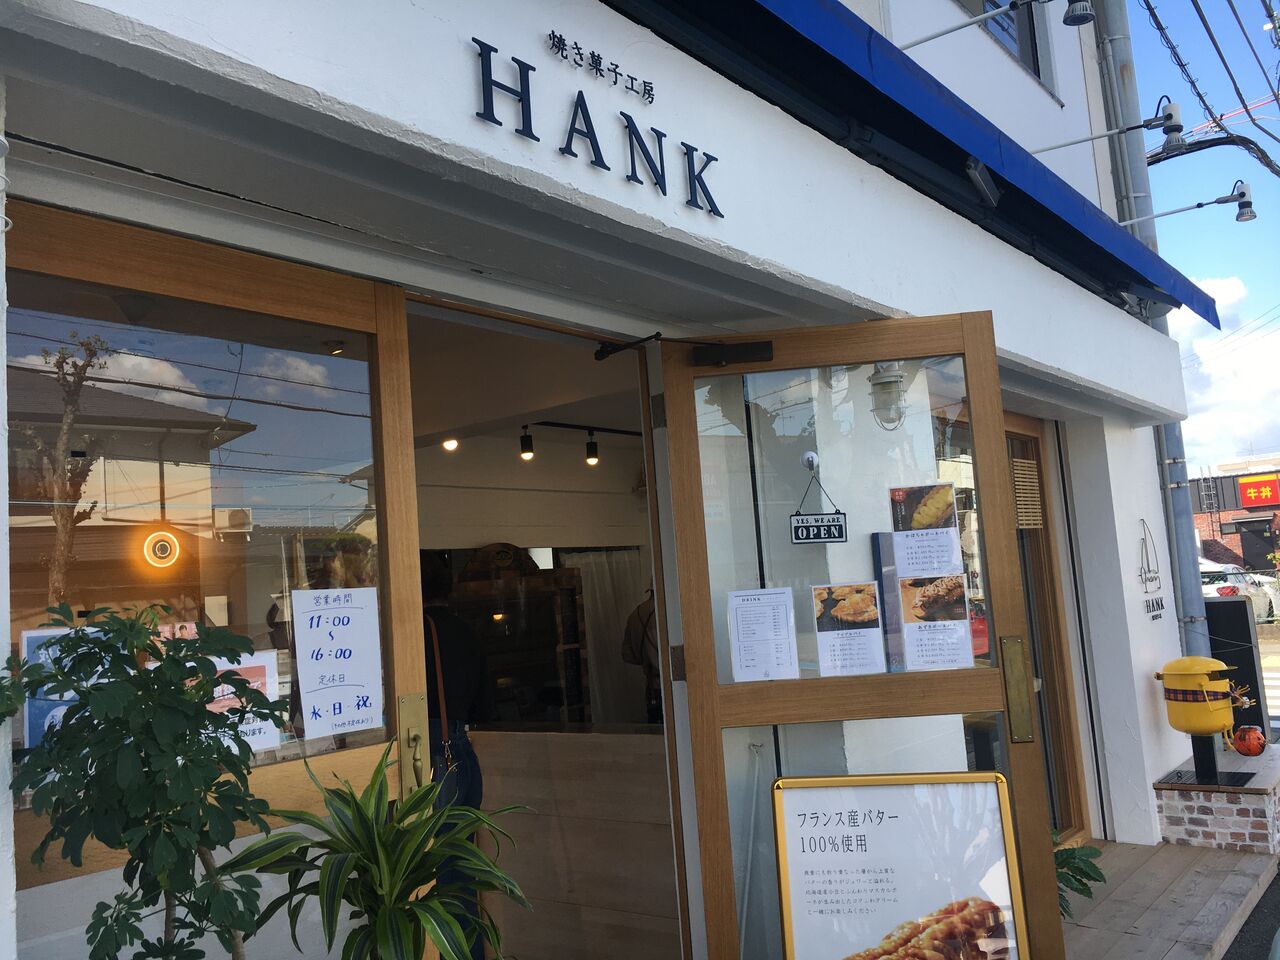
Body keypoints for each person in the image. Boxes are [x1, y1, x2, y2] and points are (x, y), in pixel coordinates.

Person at [421, 552, 492, 960]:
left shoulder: (415, 632)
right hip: (463, 755)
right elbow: (486, 706)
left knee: (436, 875)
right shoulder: (467, 631)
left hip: (432, 757)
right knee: (461, 871)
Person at [622, 585, 662, 724]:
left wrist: (646, 659)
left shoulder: (635, 615)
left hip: (651, 688)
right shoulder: (666, 612)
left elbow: (627, 655)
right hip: (671, 686)